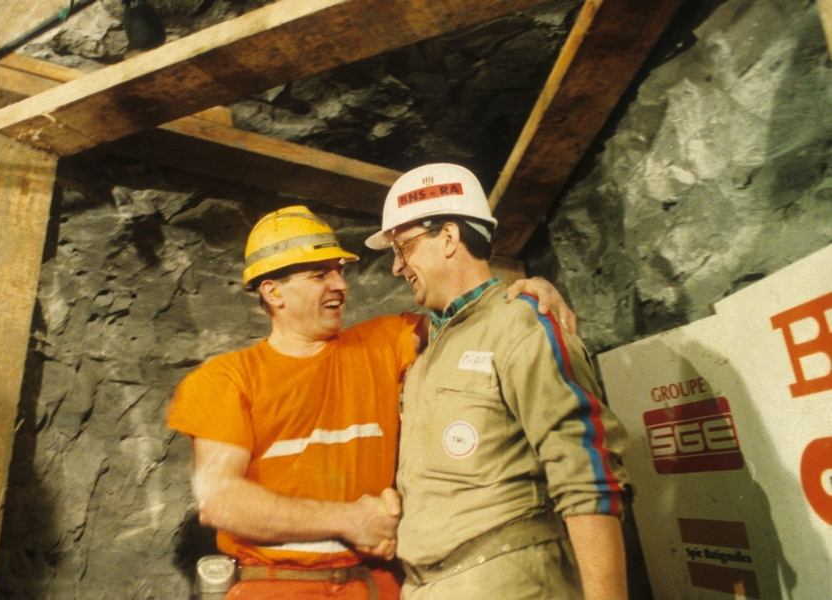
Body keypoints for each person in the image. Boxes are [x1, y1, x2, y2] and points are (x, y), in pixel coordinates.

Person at [167, 206, 574, 600]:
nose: (341, 286)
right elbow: (221, 501)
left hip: (379, 584)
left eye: (339, 272)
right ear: (273, 292)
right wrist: (351, 521)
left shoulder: (382, 343)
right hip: (277, 586)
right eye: (319, 274)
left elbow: (472, 314)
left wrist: (525, 291)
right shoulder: (223, 381)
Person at [364, 164, 633, 600]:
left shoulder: (523, 325)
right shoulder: (427, 353)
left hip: (508, 580)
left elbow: (588, 475)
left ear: (449, 237)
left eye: (404, 246)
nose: (397, 267)